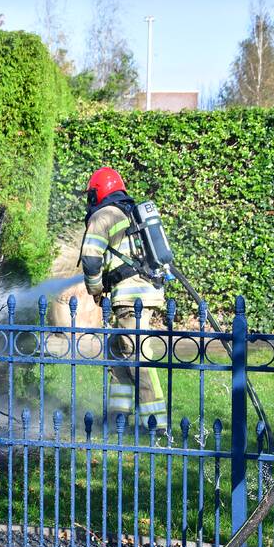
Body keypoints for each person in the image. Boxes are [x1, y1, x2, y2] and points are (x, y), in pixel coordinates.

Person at [78, 167, 166, 430]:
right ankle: (118, 416)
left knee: (137, 355)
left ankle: (155, 422)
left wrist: (95, 290)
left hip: (131, 296)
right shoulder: (129, 212)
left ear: (97, 193)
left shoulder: (103, 216)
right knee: (119, 351)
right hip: (146, 289)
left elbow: (91, 258)